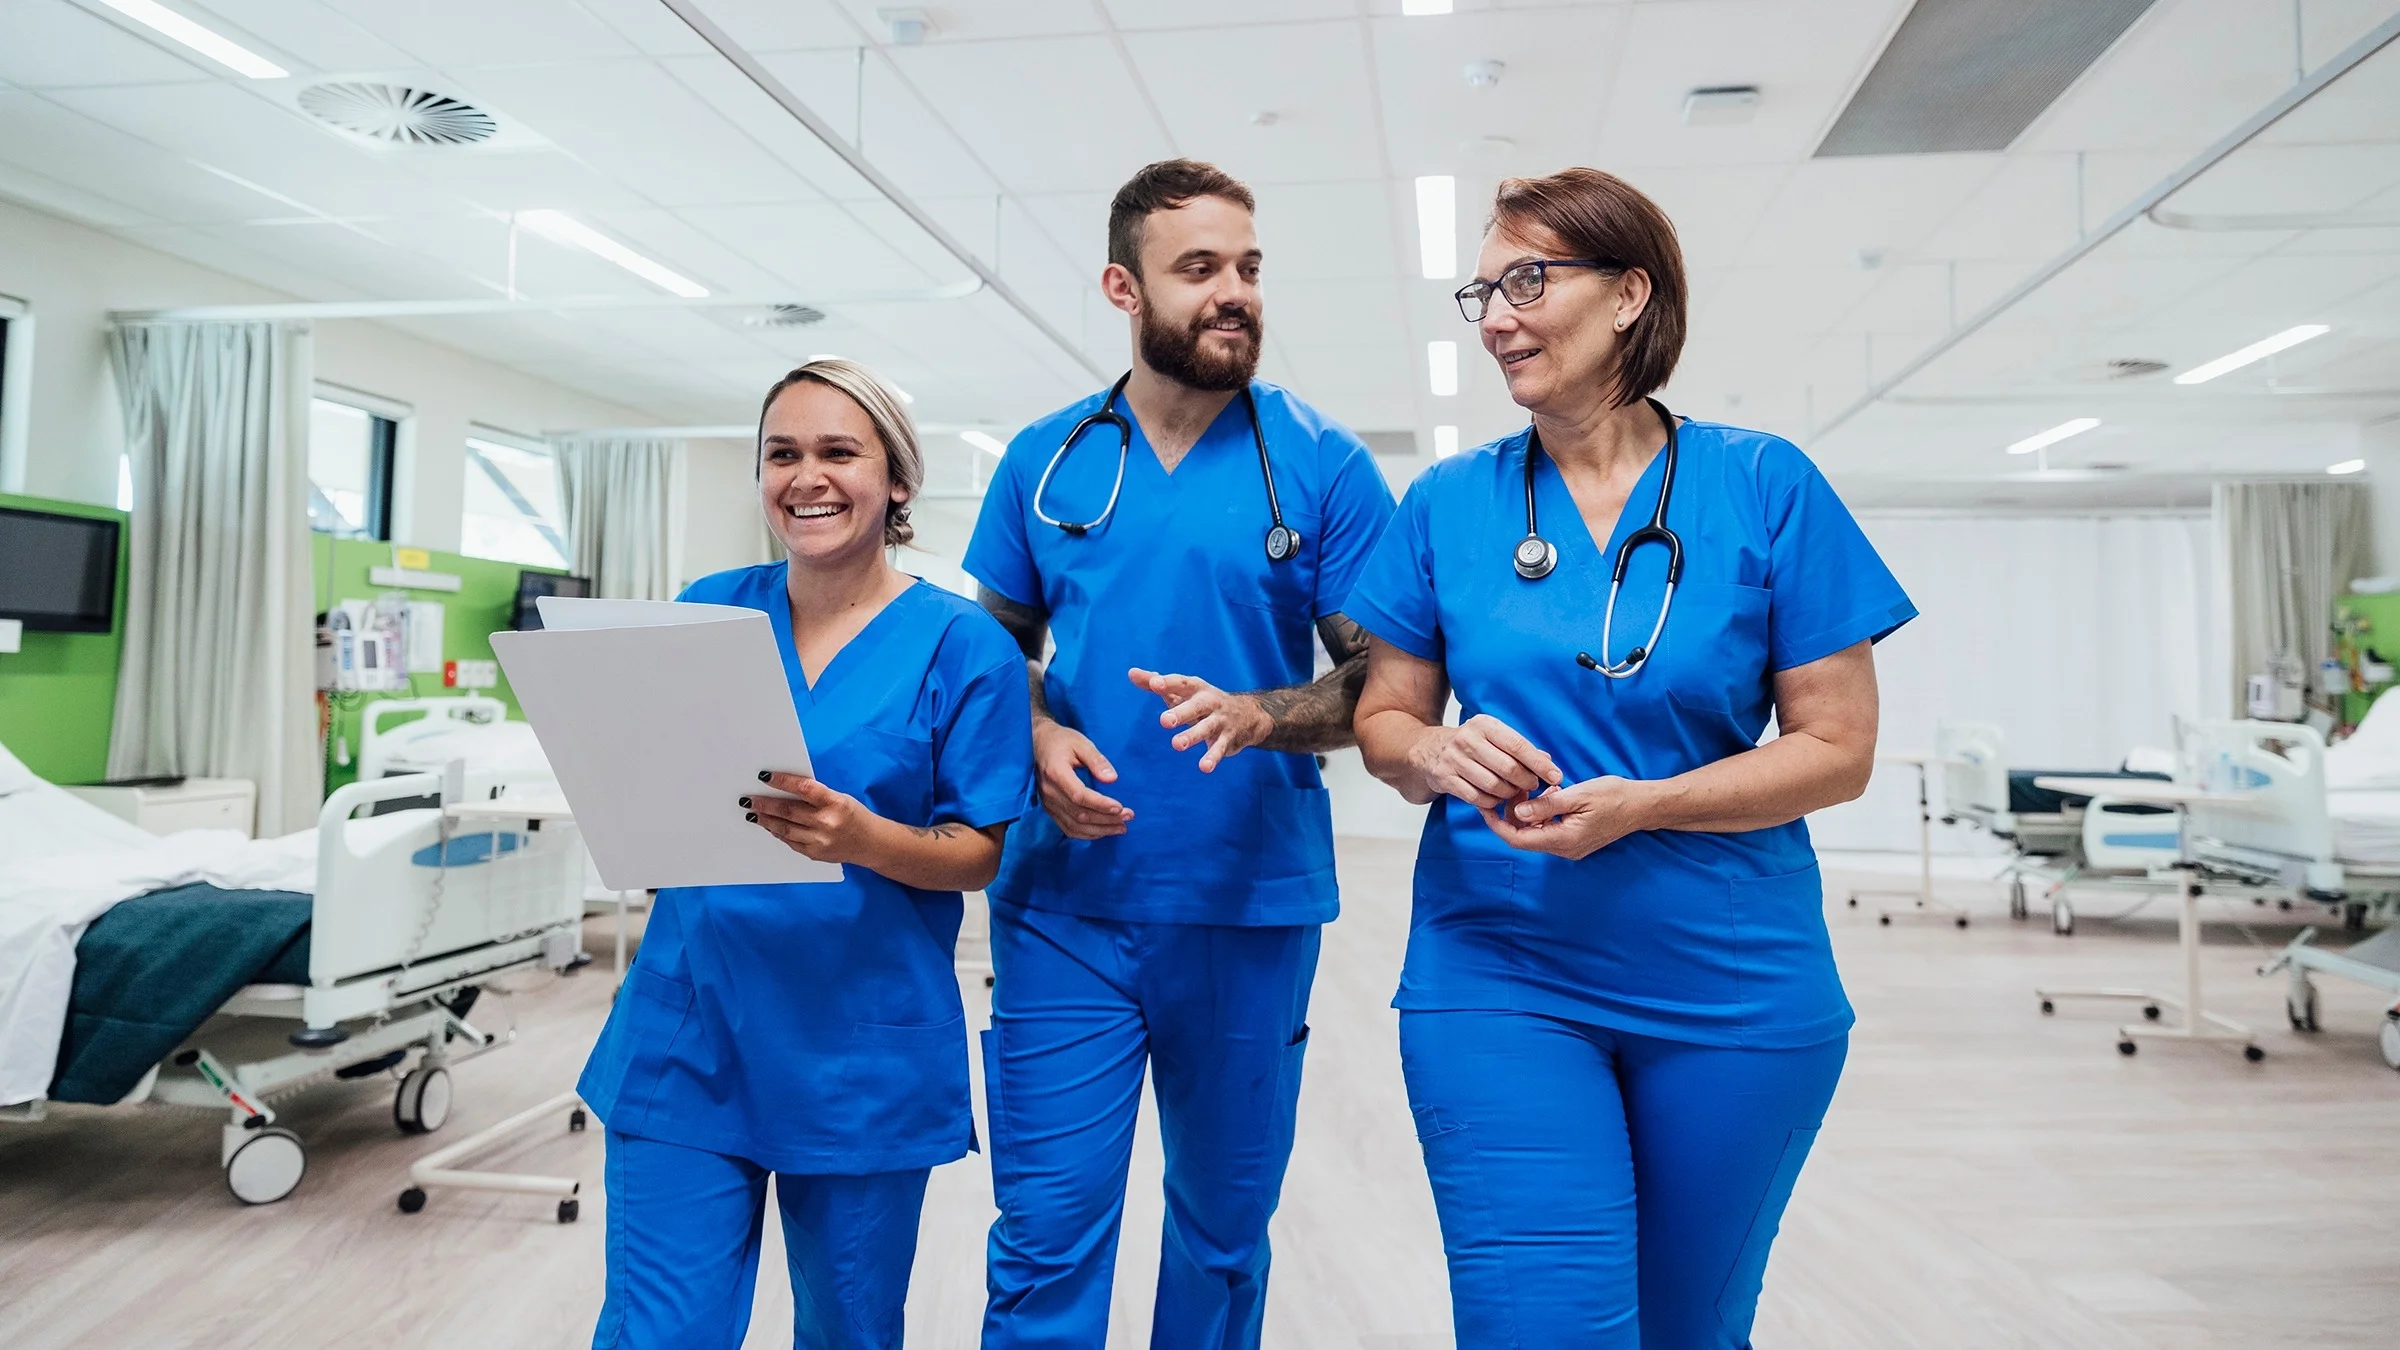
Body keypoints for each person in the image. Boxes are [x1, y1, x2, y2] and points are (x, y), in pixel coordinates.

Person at [1347, 168, 1915, 1349]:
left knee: (1686, 1331)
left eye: (1528, 280)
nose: (1496, 315)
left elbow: (1838, 749)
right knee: (1540, 1324)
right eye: (1483, 290)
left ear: (1628, 296)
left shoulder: (1764, 485)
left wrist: (1648, 805)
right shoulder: (1448, 502)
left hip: (1732, 983)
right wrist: (1437, 751)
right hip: (1499, 969)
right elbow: (1384, 724)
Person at [963, 159, 1398, 1349]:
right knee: (1045, 1233)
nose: (1234, 293)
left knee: (1220, 1238)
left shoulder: (1320, 464)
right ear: (1124, 286)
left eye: (1249, 268)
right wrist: (1041, 732)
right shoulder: (1044, 463)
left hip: (1247, 904)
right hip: (1064, 908)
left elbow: (1388, 681)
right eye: (1199, 268)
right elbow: (990, 660)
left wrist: (1263, 714)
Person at [577, 358, 1034, 1350]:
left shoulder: (964, 648)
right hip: (689, 1035)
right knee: (658, 1334)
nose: (806, 477)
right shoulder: (707, 607)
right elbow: (661, 794)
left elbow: (978, 853)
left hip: (856, 1057)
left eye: (839, 452)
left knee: (847, 1332)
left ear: (897, 481)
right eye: (782, 454)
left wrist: (861, 837)